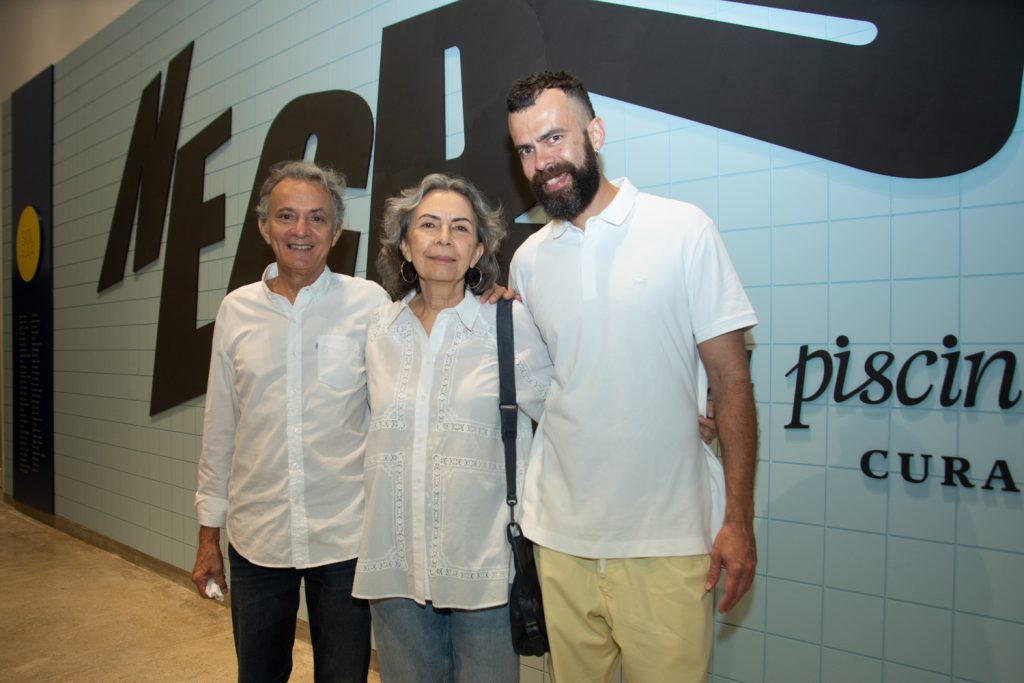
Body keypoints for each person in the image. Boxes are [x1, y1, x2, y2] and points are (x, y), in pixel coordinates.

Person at [505, 71, 759, 682]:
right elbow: (546, 388)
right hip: (559, 540)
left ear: (595, 132)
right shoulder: (529, 258)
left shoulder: (682, 229)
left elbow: (731, 382)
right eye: (526, 150)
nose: (543, 163)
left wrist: (739, 520)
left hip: (668, 542)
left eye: (555, 138)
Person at [190, 160, 387, 682]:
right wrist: (209, 536)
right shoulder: (235, 311)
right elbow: (220, 428)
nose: (301, 231)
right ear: (264, 227)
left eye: (316, 218)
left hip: (345, 538)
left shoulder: (370, 305)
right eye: (286, 216)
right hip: (258, 539)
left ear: (336, 230)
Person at [352, 173, 552, 683]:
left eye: (460, 228)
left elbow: (565, 412)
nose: (444, 238)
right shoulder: (379, 330)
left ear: (479, 248)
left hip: (481, 569)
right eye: (429, 225)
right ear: (404, 244)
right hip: (393, 567)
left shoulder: (507, 325)